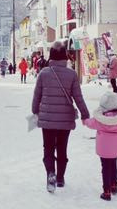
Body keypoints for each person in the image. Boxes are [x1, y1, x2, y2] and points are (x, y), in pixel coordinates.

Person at [32, 41, 90, 192]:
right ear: (65, 56)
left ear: (51, 55)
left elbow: (37, 95)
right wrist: (85, 114)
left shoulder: (43, 73)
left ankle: (50, 173)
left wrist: (35, 111)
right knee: (62, 149)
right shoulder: (71, 74)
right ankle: (60, 178)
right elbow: (78, 97)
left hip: (47, 120)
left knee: (48, 148)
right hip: (65, 120)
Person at [83, 93, 117, 201]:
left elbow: (89, 123)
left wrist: (85, 121)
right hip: (116, 148)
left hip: (104, 149)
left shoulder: (100, 119)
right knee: (113, 165)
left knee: (105, 168)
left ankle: (106, 192)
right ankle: (114, 186)